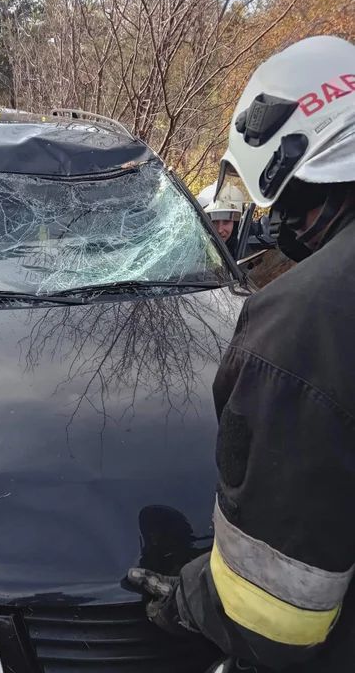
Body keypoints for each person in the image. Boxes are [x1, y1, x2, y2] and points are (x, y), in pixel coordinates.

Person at [128, 34, 355, 673]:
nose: (272, 218)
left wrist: (190, 599)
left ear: (300, 166)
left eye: (276, 198)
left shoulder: (306, 319)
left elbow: (277, 616)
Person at [203, 182, 244, 257]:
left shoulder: (245, 249)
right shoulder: (195, 249)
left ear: (236, 224)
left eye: (226, 221)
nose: (220, 230)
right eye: (214, 222)